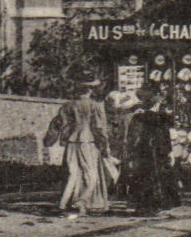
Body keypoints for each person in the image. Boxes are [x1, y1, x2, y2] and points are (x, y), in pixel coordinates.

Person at [46, 75, 111, 217]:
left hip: (71, 143)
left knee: (72, 175)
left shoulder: (67, 106)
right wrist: (105, 146)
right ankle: (82, 201)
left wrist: (51, 140)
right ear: (90, 90)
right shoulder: (95, 106)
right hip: (88, 142)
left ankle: (63, 204)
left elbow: (57, 124)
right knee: (91, 176)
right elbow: (100, 128)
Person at [123, 84, 177, 214]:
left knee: (143, 177)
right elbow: (166, 137)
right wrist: (169, 152)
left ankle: (143, 204)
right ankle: (158, 204)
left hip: (142, 151)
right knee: (158, 177)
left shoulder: (137, 118)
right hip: (159, 151)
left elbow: (132, 137)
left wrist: (130, 152)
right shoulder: (162, 118)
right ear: (155, 104)